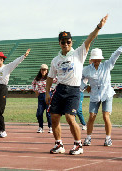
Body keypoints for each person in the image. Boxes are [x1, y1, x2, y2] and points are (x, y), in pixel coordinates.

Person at [45, 14, 108, 155]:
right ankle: (59, 144)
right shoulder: (55, 60)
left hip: (74, 90)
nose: (66, 43)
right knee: (54, 117)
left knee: (69, 117)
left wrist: (99, 27)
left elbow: (90, 39)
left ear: (71, 42)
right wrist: (47, 92)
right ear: (59, 43)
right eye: (63, 41)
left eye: (68, 41)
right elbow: (50, 77)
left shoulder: (79, 53)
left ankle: (78, 145)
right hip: (59, 89)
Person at [82, 46, 122, 147]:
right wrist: (85, 87)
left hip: (107, 94)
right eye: (95, 59)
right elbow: (78, 78)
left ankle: (108, 138)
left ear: (101, 59)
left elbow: (115, 55)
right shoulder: (86, 69)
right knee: (91, 116)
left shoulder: (107, 65)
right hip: (94, 95)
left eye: (98, 59)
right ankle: (88, 138)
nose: (96, 61)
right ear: (91, 59)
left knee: (105, 116)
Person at [0, 49, 30, 138]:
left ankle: (2, 130)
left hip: (2, 88)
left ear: (3, 59)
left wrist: (23, 56)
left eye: (0, 58)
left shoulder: (7, 67)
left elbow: (15, 62)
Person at [31, 64, 53, 134]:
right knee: (39, 113)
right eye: (42, 69)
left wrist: (54, 90)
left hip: (48, 95)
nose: (43, 71)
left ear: (47, 71)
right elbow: (33, 84)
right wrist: (35, 90)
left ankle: (50, 127)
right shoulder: (37, 78)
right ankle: (40, 127)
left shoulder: (49, 78)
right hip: (40, 96)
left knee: (48, 113)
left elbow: (58, 81)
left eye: (45, 70)